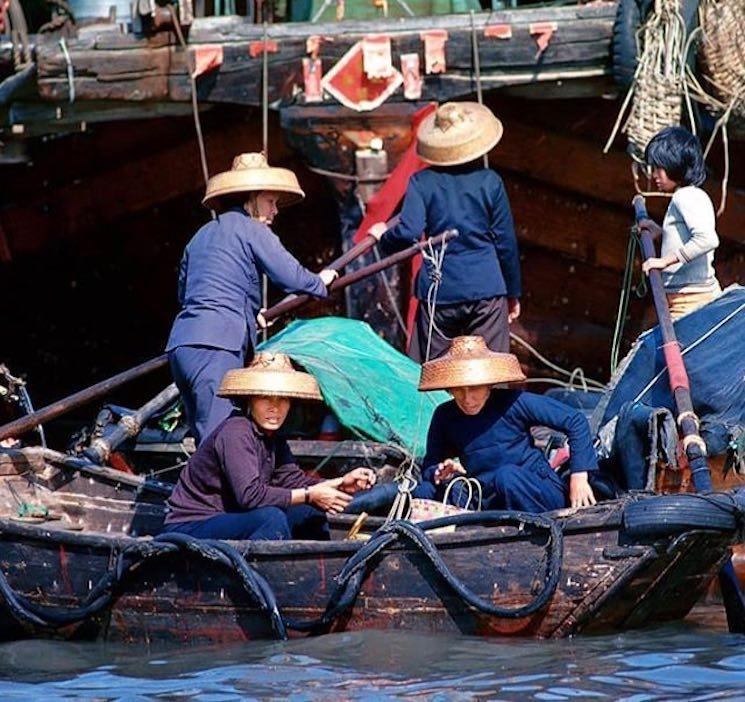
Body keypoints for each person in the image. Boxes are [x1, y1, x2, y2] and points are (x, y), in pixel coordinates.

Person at [166, 153, 338, 445]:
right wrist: (319, 282)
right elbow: (290, 275)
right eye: (270, 201)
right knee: (219, 440)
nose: (275, 210)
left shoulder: (200, 236)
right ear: (252, 198)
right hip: (217, 345)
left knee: (203, 436)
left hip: (182, 345)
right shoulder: (251, 229)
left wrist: (247, 314)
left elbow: (191, 293)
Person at [162, 352, 376, 540]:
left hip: (231, 517)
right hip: (193, 525)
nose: (275, 408)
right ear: (250, 400)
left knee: (307, 512)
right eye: (265, 398)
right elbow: (250, 496)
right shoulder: (236, 431)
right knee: (270, 519)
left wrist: (342, 482)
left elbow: (293, 481)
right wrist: (311, 494)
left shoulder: (272, 436)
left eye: (282, 400)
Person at [368, 102, 521, 362]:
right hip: (486, 289)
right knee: (493, 373)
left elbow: (408, 232)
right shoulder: (490, 181)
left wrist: (384, 238)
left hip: (440, 292)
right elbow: (506, 243)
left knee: (431, 375)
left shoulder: (422, 182)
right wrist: (512, 292)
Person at [414, 336, 598, 513]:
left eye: (475, 388)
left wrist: (579, 476)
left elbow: (575, 420)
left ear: (488, 384)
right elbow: (431, 464)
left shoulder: (513, 402)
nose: (467, 399)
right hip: (488, 496)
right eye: (459, 390)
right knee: (424, 492)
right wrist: (438, 472)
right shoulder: (444, 415)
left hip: (535, 491)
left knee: (507, 477)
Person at [639, 126, 721, 319]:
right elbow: (687, 237)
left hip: (691, 301)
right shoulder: (693, 195)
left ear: (676, 165)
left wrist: (663, 262)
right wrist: (660, 232)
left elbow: (707, 239)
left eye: (659, 168)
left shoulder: (684, 197)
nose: (654, 175)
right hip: (687, 298)